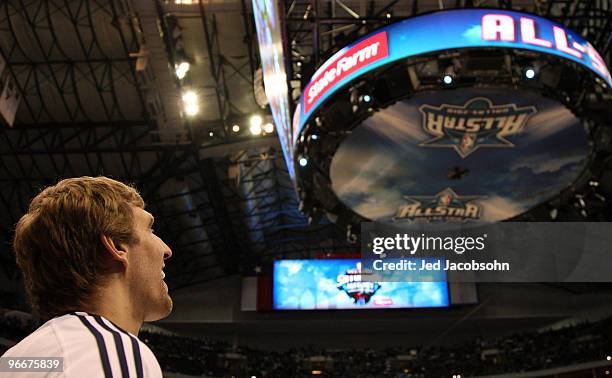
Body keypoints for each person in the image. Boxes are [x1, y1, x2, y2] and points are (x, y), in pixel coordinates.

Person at [1, 176, 173, 377]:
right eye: (150, 229)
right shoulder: (112, 350)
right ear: (117, 247)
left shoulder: (15, 360)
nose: (167, 250)